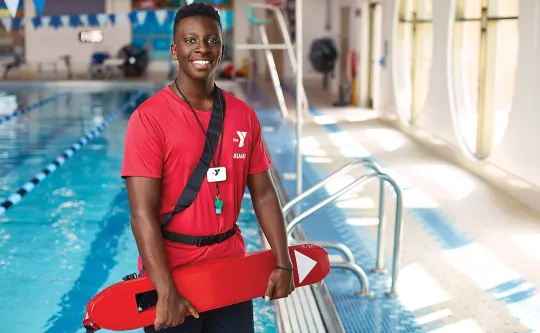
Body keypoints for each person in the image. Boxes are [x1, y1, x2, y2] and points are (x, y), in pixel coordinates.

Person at [120, 3, 294, 333]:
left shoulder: (243, 115)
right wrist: (165, 290)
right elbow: (142, 214)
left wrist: (282, 260)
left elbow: (265, 194)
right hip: (174, 275)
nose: (202, 48)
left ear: (222, 49)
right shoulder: (149, 119)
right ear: (174, 49)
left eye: (211, 40)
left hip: (231, 274)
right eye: (190, 40)